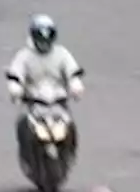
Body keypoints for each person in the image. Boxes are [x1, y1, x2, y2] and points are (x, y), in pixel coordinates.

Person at [5, 15, 84, 162]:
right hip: (34, 102)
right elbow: (16, 73)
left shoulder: (61, 54)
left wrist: (75, 85)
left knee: (70, 125)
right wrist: (15, 88)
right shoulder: (25, 56)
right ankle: (27, 154)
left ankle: (69, 152)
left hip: (57, 101)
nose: (44, 43)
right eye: (40, 38)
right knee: (23, 124)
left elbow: (72, 71)